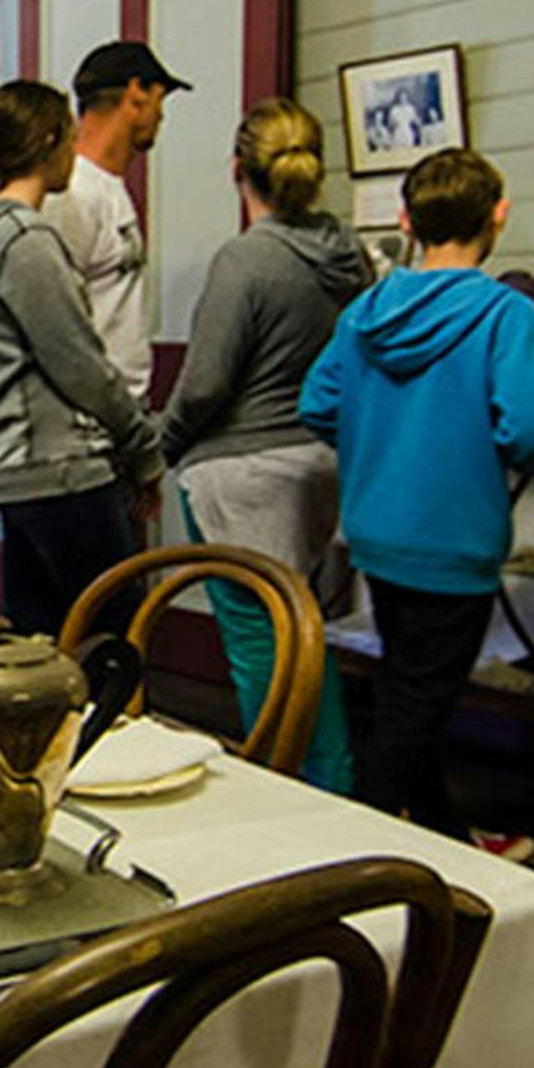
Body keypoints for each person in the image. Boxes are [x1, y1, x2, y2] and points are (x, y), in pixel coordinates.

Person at [300, 148, 534, 854]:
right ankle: (356, 855)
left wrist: (375, 441)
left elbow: (318, 401)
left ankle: (445, 836)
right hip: (456, 536)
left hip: (377, 530)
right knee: (417, 706)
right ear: (498, 214)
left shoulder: (366, 312)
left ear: (405, 220)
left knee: (404, 691)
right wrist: (504, 455)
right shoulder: (505, 315)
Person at [161, 98, 370, 794]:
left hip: (240, 470)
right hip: (318, 464)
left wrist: (162, 443)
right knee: (305, 630)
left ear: (236, 170)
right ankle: (334, 778)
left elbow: (205, 383)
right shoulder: (349, 257)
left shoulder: (246, 261)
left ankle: (285, 788)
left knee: (257, 638)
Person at [0, 80, 165, 636]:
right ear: (47, 141)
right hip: (56, 469)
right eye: (67, 136)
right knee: (112, 643)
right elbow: (80, 366)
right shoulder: (24, 241)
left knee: (43, 641)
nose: (74, 152)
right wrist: (143, 449)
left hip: (15, 468)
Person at [43, 41, 189, 407]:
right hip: (89, 420)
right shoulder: (71, 193)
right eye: (159, 100)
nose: (161, 116)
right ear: (135, 93)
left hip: (122, 414)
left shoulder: (109, 188)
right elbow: (57, 325)